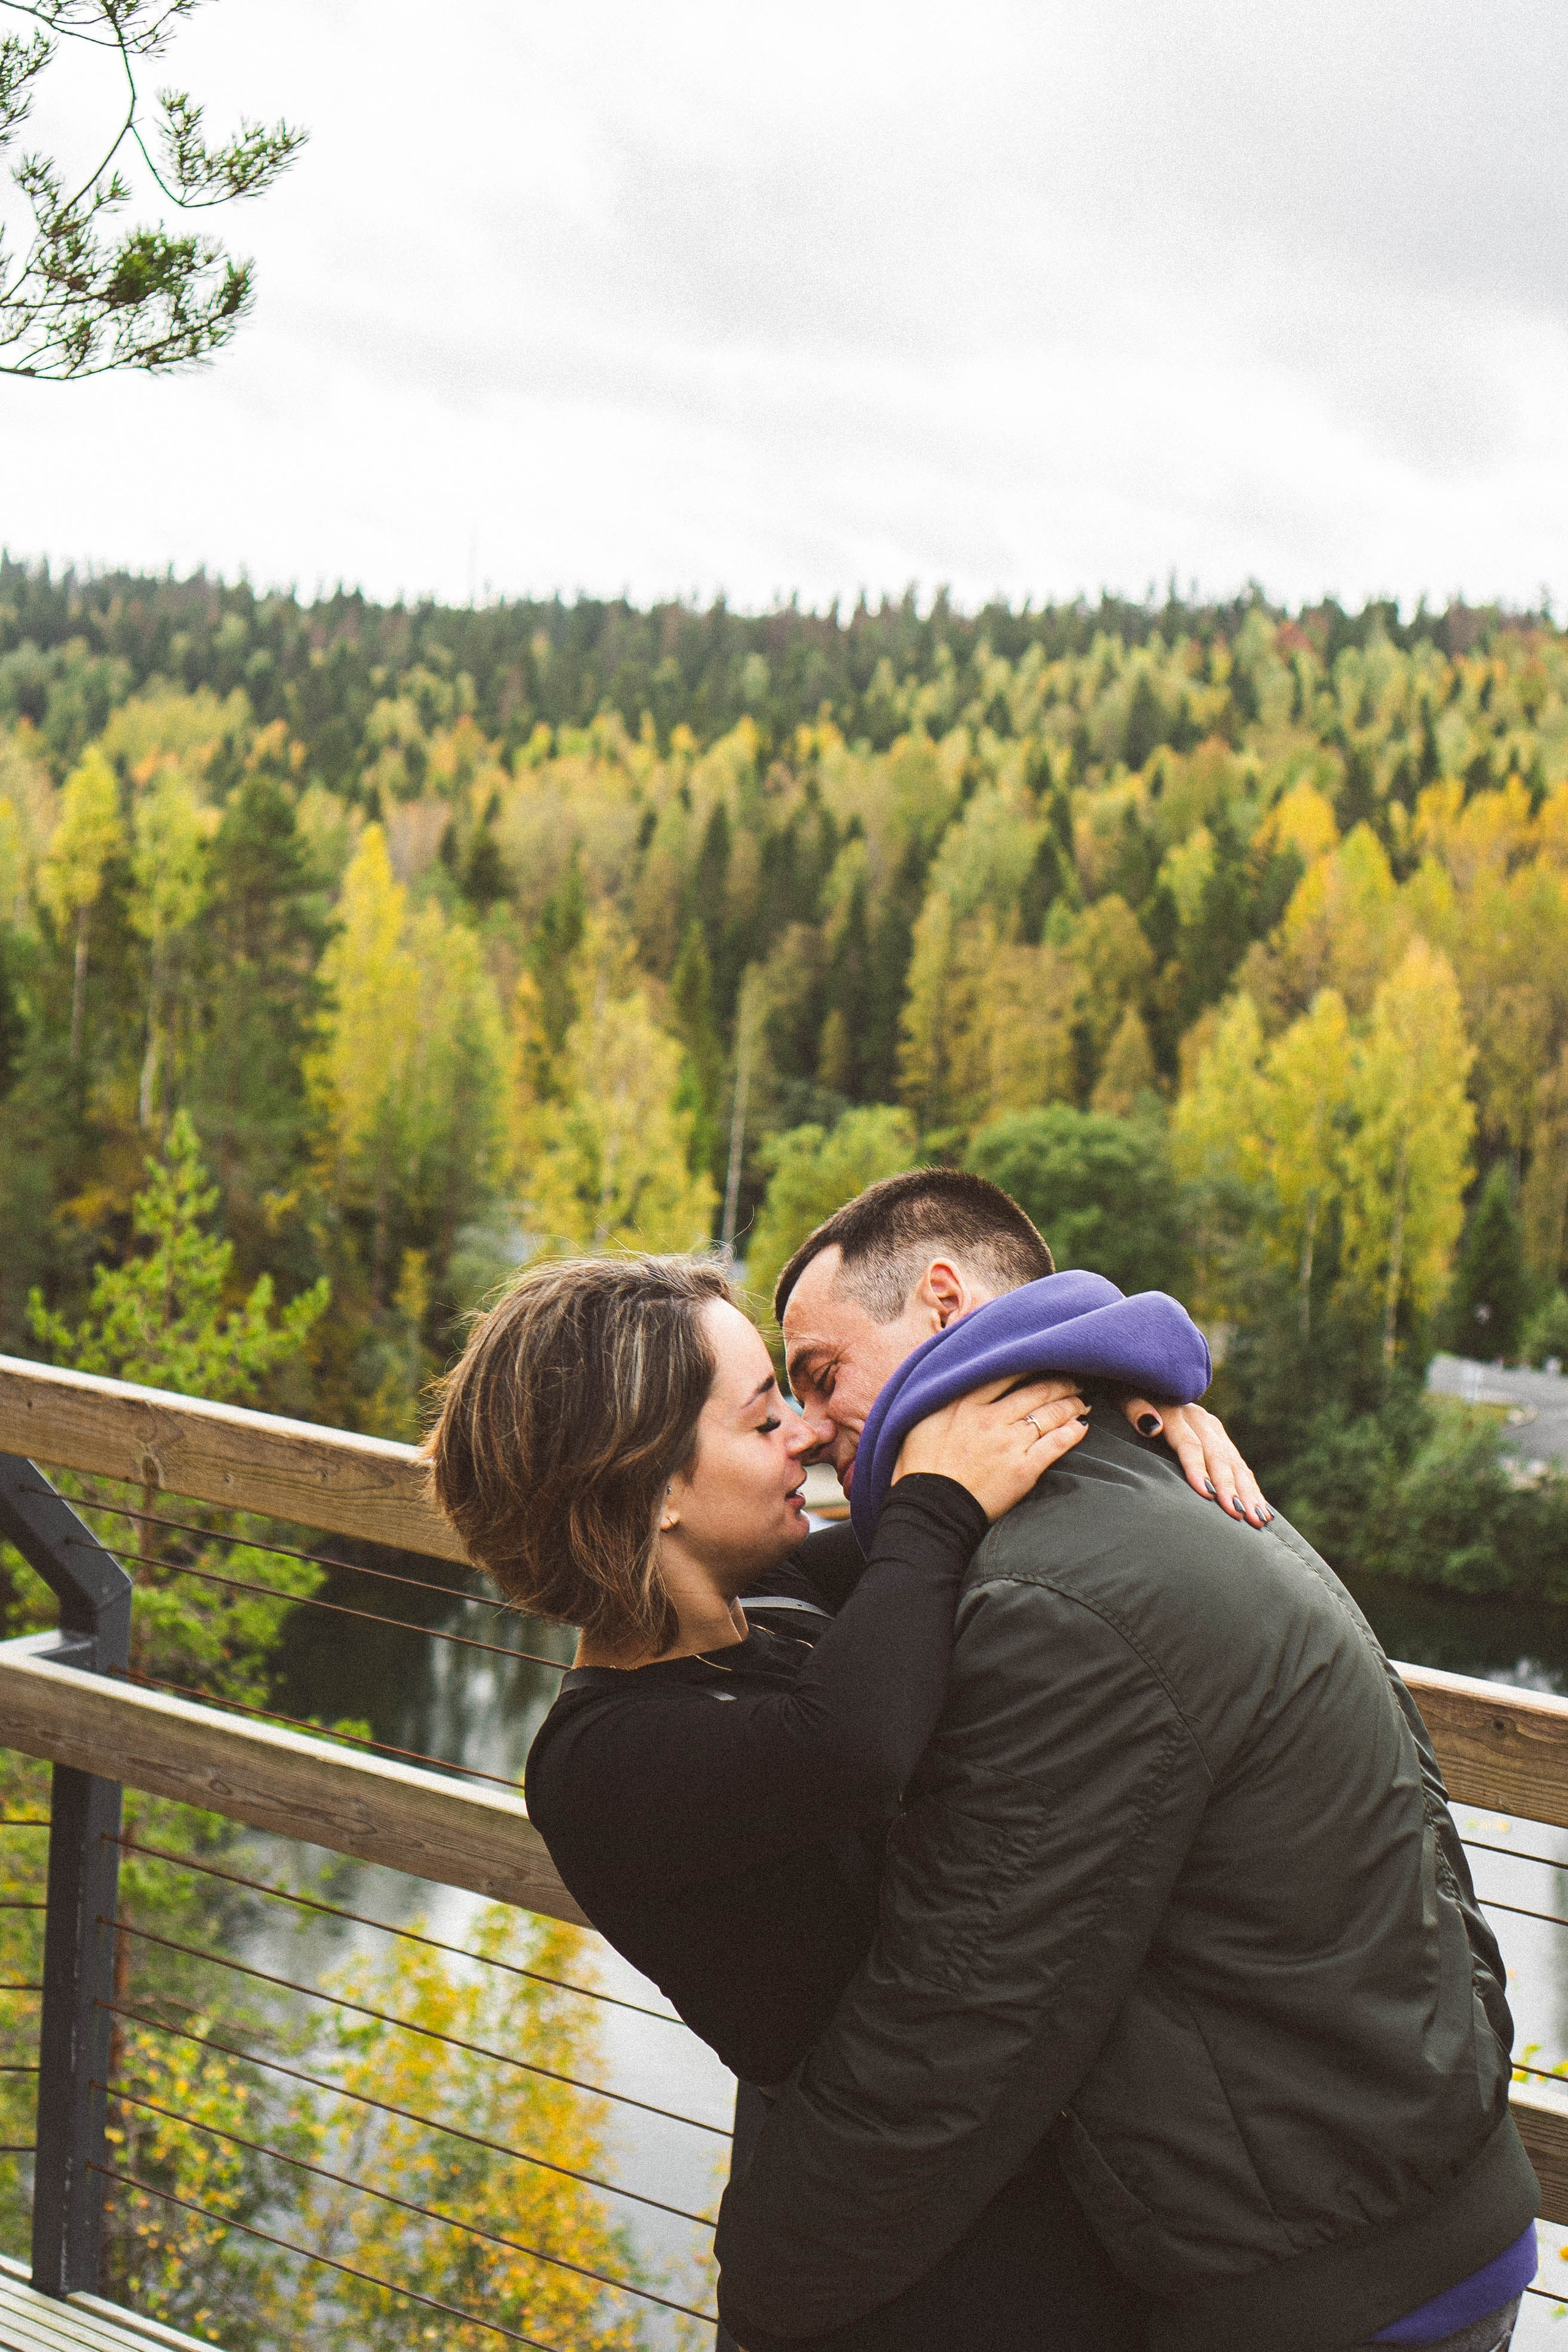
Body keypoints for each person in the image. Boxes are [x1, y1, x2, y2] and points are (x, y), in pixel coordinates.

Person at [713, 1169, 1538, 2352]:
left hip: (1332, 2291)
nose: (805, 1427)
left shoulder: (1057, 1590)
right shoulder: (1140, 1478)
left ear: (942, 1301)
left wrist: (768, 2289)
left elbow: (959, 2021)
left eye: (820, 1375)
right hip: (1390, 2219)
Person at [424, 1242, 1256, 2350]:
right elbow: (854, 1740)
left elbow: (996, 1467)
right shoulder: (599, 1764)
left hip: (990, 2192)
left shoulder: (769, 1602)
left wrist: (1134, 1422)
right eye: (765, 1420)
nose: (808, 1437)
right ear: (654, 1488)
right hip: (895, 2272)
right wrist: (936, 1506)